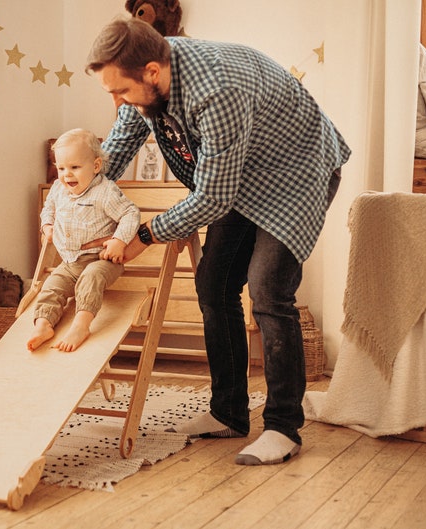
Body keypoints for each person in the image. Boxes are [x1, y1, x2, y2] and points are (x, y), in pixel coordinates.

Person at [84, 18, 350, 465]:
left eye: (120, 91)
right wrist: (78, 196)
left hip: (295, 172)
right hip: (240, 175)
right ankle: (229, 413)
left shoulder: (216, 89)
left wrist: (144, 234)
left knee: (268, 290)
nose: (117, 102)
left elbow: (212, 196)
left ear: (152, 72)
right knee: (213, 284)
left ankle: (284, 428)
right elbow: (117, 148)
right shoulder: (141, 75)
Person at [27, 128, 141, 353]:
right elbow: (48, 208)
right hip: (70, 262)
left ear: (96, 166)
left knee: (91, 276)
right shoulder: (59, 188)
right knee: (51, 286)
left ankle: (81, 325)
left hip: (102, 260)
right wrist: (47, 225)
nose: (67, 174)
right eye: (61, 168)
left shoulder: (105, 192)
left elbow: (131, 214)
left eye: (75, 167)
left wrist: (119, 240)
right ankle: (43, 325)